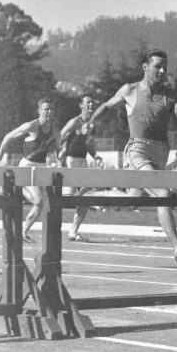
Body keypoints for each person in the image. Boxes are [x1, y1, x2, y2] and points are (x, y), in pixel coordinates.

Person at [86, 50, 177, 264]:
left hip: (160, 153)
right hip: (138, 149)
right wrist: (91, 122)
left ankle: (91, 197)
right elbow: (106, 107)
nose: (162, 71)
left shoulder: (170, 97)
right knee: (162, 193)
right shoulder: (130, 90)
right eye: (157, 66)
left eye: (165, 67)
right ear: (145, 67)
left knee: (134, 198)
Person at [0, 97, 61, 242]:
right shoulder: (31, 126)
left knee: (41, 204)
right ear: (39, 111)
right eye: (46, 109)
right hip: (27, 167)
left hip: (41, 168)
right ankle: (22, 232)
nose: (49, 112)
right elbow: (8, 136)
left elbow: (58, 152)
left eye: (51, 109)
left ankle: (23, 231)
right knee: (38, 202)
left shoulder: (55, 131)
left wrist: (61, 155)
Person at [58, 92, 105, 241]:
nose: (91, 105)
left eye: (92, 102)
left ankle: (73, 231)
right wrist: (62, 152)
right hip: (70, 161)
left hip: (83, 161)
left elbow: (89, 145)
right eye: (88, 103)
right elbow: (59, 137)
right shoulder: (74, 122)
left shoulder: (92, 125)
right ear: (81, 105)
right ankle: (52, 224)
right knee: (68, 197)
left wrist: (95, 155)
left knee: (84, 199)